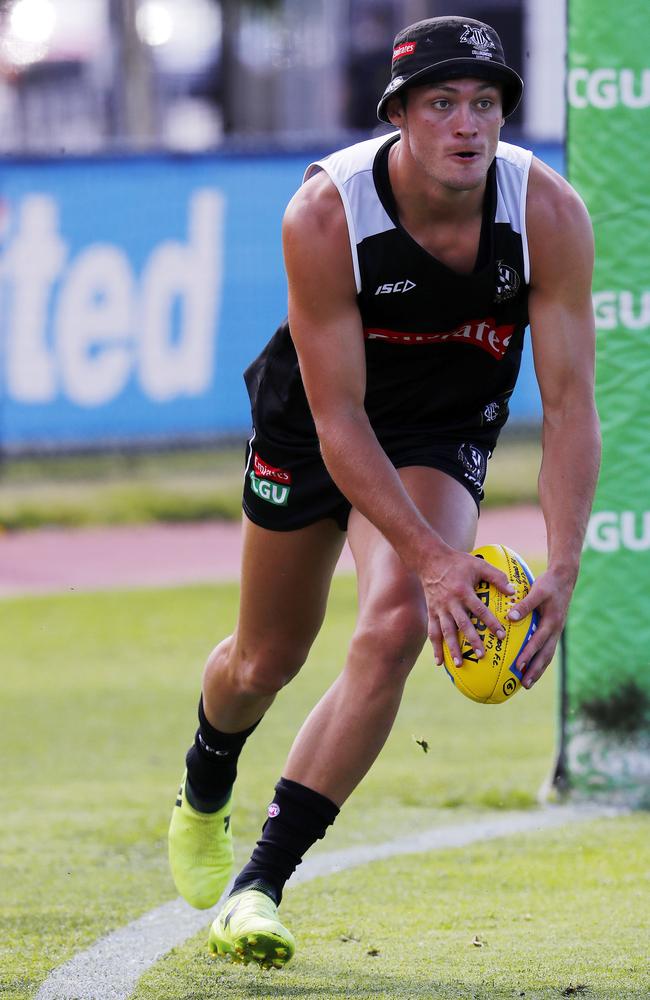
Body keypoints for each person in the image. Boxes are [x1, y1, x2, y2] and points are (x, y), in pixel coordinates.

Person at [168, 15, 600, 970]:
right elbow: (339, 423)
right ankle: (205, 786)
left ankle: (259, 886)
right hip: (321, 422)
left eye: (485, 104)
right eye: (442, 103)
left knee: (397, 623)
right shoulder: (328, 213)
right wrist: (437, 557)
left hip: (439, 431)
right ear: (398, 115)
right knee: (262, 660)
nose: (467, 125)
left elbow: (569, 407)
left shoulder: (548, 213)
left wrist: (563, 567)